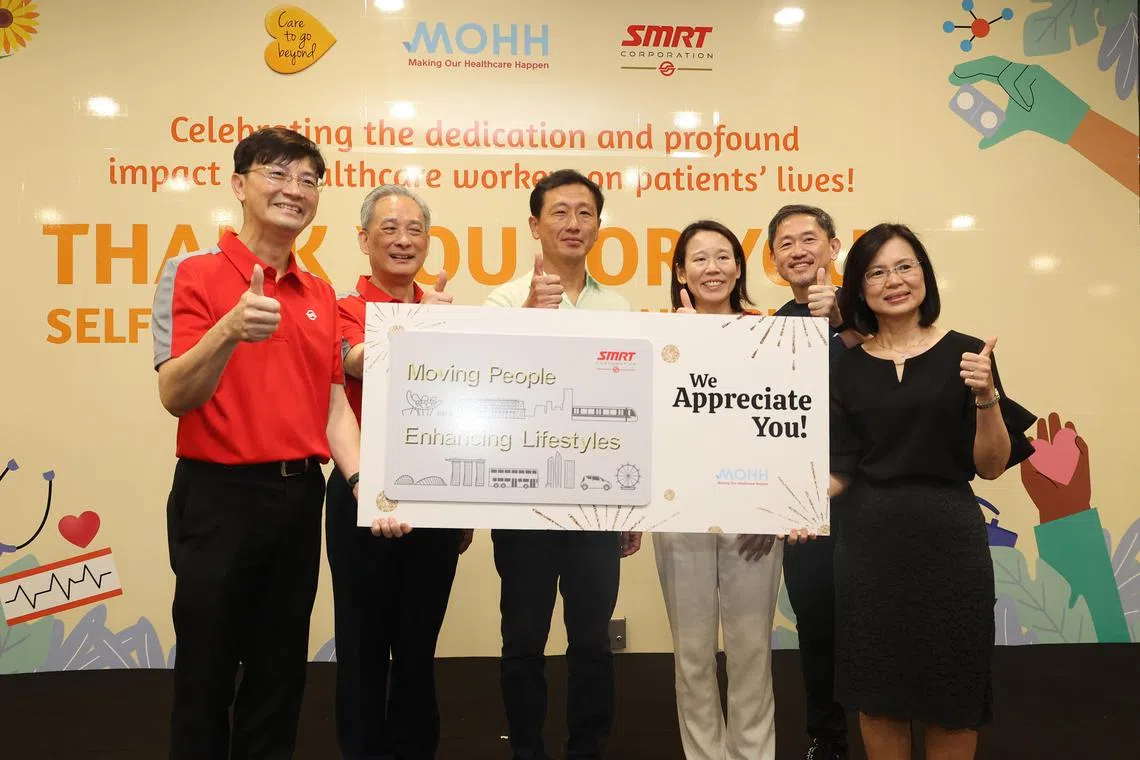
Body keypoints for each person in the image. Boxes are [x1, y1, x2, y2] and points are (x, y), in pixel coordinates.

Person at [152, 127, 361, 759]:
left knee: (279, 675)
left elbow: (333, 407)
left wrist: (365, 482)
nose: (294, 190)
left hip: (298, 498)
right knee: (206, 674)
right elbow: (175, 393)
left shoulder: (319, 292)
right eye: (277, 174)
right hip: (219, 496)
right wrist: (228, 330)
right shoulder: (191, 272)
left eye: (308, 180)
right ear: (239, 186)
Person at [829, 223, 1035, 760]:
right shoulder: (845, 367)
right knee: (878, 693)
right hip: (868, 544)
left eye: (905, 267)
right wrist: (780, 501)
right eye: (877, 272)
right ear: (859, 288)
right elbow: (839, 468)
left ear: (924, 274)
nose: (893, 281)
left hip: (949, 542)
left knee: (953, 693)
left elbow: (991, 466)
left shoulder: (968, 354)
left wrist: (987, 396)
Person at [484, 169, 641, 760]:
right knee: (522, 641)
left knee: (593, 643)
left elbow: (630, 412)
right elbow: (489, 388)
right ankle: (526, 750)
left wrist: (631, 506)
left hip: (596, 505)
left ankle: (587, 749)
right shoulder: (503, 300)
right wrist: (528, 315)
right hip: (522, 503)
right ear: (534, 225)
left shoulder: (619, 306)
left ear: (599, 226)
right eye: (559, 212)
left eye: (585, 213)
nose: (573, 224)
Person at [329, 185, 474, 760]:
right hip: (357, 486)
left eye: (415, 230)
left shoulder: (444, 313)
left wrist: (465, 504)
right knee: (360, 648)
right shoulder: (341, 307)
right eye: (389, 229)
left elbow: (463, 409)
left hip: (434, 493)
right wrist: (420, 327)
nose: (403, 240)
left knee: (418, 649)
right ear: (364, 239)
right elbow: (353, 361)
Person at [654, 220, 784, 760]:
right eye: (700, 259)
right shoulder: (661, 337)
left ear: (739, 267)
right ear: (681, 273)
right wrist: (689, 346)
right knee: (692, 653)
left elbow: (787, 424)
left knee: (752, 650)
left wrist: (773, 507)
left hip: (754, 515)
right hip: (680, 512)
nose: (713, 268)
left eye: (724, 257)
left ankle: (753, 753)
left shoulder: (771, 333)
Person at [767, 204, 857, 760]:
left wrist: (842, 323)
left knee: (879, 621)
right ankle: (828, 737)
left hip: (870, 497)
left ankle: (890, 732)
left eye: (809, 239)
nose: (798, 251)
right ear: (774, 258)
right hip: (806, 503)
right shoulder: (774, 326)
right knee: (816, 623)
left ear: (833, 246)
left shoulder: (871, 308)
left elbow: (885, 390)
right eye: (786, 243)